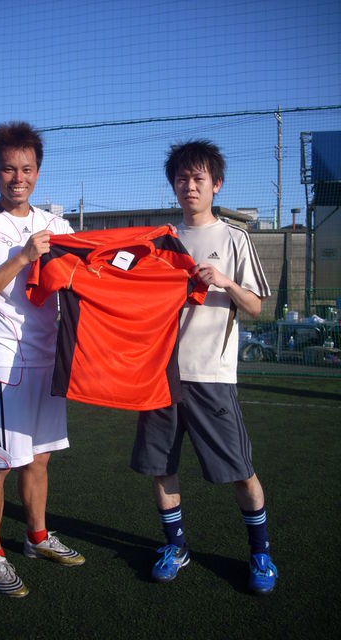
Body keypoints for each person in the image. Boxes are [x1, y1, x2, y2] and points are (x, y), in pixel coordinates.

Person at [130, 140, 278, 595]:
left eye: (199, 178)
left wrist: (226, 282)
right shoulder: (161, 241)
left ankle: (260, 553)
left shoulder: (234, 238)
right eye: (182, 178)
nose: (190, 186)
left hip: (211, 375)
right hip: (159, 375)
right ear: (173, 185)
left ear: (217, 184)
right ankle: (176, 547)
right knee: (161, 466)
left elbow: (256, 307)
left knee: (240, 470)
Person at [0, 121, 84, 599]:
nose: (18, 178)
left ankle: (36, 537)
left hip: (49, 360)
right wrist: (23, 257)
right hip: (5, 364)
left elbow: (90, 268)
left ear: (38, 172)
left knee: (40, 458)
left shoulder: (57, 225)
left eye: (27, 169)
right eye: (8, 169)